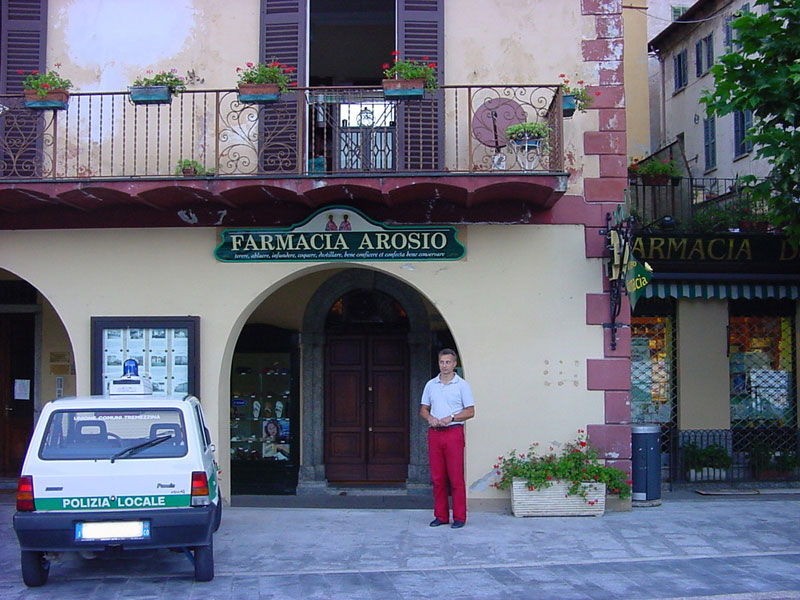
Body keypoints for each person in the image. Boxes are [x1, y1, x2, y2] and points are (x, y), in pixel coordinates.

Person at [420, 348, 475, 529]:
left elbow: (470, 411)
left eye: (448, 362)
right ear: (438, 363)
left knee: (456, 477)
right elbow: (423, 408)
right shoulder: (431, 385)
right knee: (437, 477)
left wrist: (451, 418)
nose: (444, 366)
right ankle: (441, 515)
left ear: (454, 364)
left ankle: (459, 517)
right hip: (435, 433)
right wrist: (429, 418)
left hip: (453, 433)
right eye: (442, 362)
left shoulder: (462, 385)